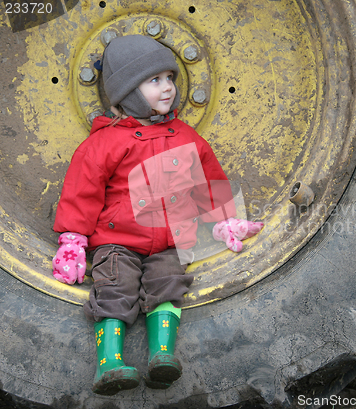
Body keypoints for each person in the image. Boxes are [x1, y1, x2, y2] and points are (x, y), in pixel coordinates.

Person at [51, 34, 263, 396]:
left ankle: (162, 355)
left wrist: (225, 220)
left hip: (167, 241)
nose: (167, 88)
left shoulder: (185, 137)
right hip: (118, 241)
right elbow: (81, 191)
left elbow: (209, 180)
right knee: (115, 289)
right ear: (128, 92)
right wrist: (73, 241)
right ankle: (109, 363)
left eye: (170, 78)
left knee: (169, 285)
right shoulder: (105, 142)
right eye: (154, 81)